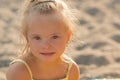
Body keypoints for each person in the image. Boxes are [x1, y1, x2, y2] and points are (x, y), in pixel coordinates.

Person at [6, 0, 80, 80]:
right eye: (37, 38)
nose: (46, 46)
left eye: (54, 37)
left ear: (68, 37)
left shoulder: (71, 70)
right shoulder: (19, 71)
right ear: (27, 38)